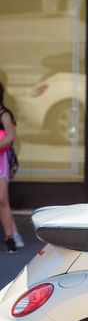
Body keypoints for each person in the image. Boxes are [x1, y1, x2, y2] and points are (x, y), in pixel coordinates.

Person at [0, 81, 19, 253]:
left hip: (1, 162)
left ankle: (10, 238)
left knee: (2, 200)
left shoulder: (4, 114)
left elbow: (10, 137)